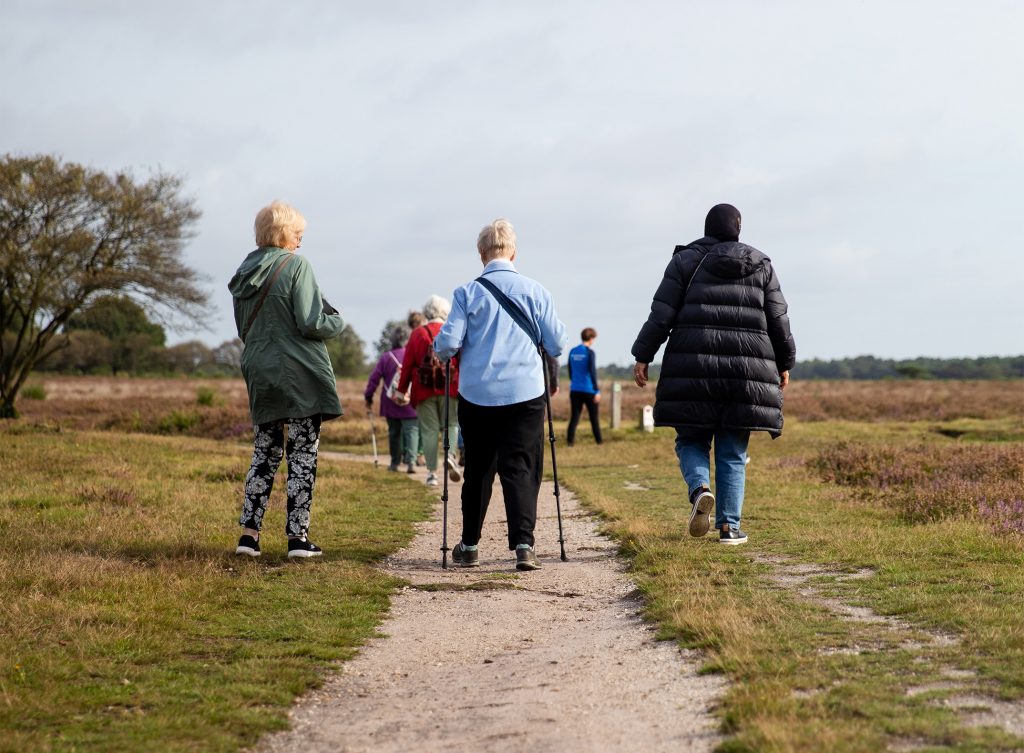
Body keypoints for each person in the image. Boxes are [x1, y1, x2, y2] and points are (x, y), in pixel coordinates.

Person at [631, 204, 796, 545]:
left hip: (693, 369)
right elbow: (778, 318)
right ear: (738, 228)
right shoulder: (761, 265)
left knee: (691, 439)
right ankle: (729, 528)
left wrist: (643, 355)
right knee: (733, 450)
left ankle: (700, 489)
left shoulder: (685, 261)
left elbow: (661, 314)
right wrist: (785, 362)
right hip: (746, 372)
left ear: (707, 228)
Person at [435, 218, 567, 571]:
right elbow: (555, 343)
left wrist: (445, 346)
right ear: (514, 252)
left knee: (478, 468)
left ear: (481, 254)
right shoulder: (537, 291)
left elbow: (447, 345)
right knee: (520, 466)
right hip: (525, 393)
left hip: (478, 394)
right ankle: (524, 545)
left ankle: (470, 546)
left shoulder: (466, 293)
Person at [228, 201, 343, 559]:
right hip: (298, 373)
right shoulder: (296, 265)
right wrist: (337, 322)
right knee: (303, 453)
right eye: (298, 234)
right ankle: (298, 539)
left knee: (264, 452)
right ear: (282, 233)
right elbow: (311, 321)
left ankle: (249, 537)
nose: (300, 242)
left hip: (259, 371)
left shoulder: (243, 272)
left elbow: (242, 330)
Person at [397, 295, 461, 487]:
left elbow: (407, 365)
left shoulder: (417, 333)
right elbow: (461, 361)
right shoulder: (451, 330)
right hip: (450, 386)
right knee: (451, 424)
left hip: (423, 389)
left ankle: (432, 473)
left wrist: (401, 391)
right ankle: (450, 455)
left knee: (429, 430)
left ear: (427, 312)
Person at [364, 322, 419, 473]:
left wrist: (368, 396)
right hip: (410, 401)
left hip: (390, 402)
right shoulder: (412, 354)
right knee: (412, 431)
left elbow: (374, 378)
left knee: (394, 433)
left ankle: (395, 463)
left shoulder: (386, 357)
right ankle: (411, 463)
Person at [566, 327, 602, 446]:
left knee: (574, 418)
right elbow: (592, 371)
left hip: (575, 389)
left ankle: (570, 442)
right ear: (591, 338)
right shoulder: (589, 352)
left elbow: (570, 371)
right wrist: (596, 390)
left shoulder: (572, 351)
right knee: (594, 418)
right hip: (589, 390)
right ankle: (599, 442)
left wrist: (575, 381)